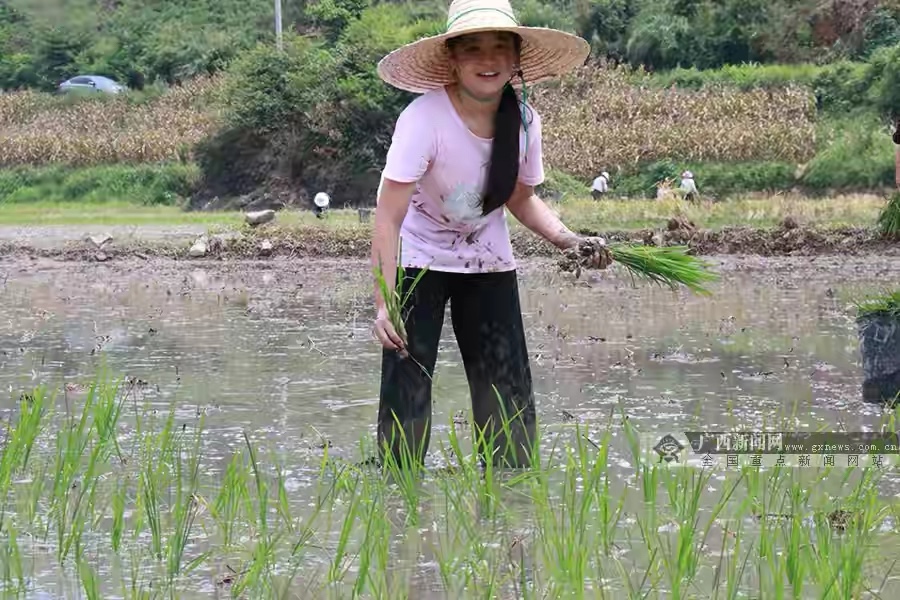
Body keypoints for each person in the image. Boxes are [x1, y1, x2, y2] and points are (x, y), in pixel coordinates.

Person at [371, 0, 611, 469]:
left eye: (501, 47)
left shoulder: (523, 122)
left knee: (506, 388)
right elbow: (388, 216)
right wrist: (384, 301)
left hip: (487, 258)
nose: (489, 59)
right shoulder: (422, 119)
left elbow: (520, 198)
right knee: (408, 382)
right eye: (474, 47)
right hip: (419, 256)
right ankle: (398, 490)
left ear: (517, 58)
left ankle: (510, 495)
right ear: (453, 58)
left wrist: (569, 239)